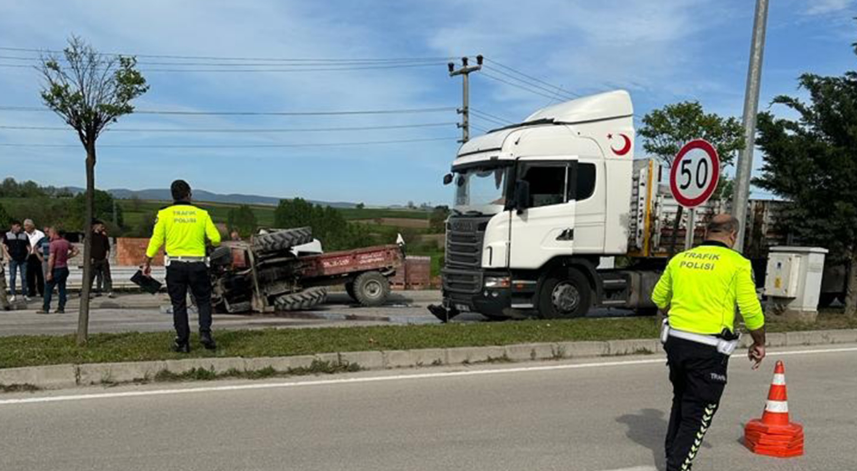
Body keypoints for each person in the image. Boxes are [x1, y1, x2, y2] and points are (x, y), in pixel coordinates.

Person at [651, 214, 766, 471]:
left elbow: (658, 298)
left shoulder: (681, 259)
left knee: (681, 400)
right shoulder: (737, 264)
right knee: (700, 410)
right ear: (733, 236)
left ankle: (673, 458)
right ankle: (678, 466)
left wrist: (678, 316)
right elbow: (750, 310)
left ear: (705, 232)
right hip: (707, 348)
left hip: (676, 341)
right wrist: (759, 342)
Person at [143, 179, 221, 352]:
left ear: (172, 195)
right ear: (189, 194)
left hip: (175, 265)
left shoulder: (164, 214)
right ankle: (205, 333)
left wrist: (147, 261)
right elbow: (216, 238)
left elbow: (156, 240)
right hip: (198, 265)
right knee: (203, 301)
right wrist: (207, 243)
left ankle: (183, 341)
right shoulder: (202, 214)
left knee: (178, 304)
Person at [39, 227, 79, 314]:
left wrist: (49, 272)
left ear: (54, 233)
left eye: (49, 233)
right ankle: (61, 307)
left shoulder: (53, 244)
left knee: (48, 288)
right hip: (64, 267)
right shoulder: (65, 242)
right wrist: (67, 257)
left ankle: (45, 307)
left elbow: (51, 258)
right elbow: (76, 250)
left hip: (56, 268)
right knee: (62, 288)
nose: (49, 235)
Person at [2, 220, 30, 302]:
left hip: (23, 259)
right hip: (13, 258)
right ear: (13, 226)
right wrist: (8, 256)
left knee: (24, 277)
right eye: (17, 226)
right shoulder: (7, 235)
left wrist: (27, 256)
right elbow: (3, 246)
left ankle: (24, 294)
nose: (19, 228)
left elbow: (28, 246)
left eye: (19, 226)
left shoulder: (24, 235)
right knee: (12, 277)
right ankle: (13, 294)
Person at [89, 220, 114, 298]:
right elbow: (88, 247)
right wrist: (90, 257)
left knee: (107, 275)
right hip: (94, 259)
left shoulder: (104, 236)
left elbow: (107, 248)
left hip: (103, 259)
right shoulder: (91, 236)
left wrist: (106, 257)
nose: (102, 228)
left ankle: (109, 291)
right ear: (96, 226)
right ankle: (89, 291)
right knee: (91, 276)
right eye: (101, 226)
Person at [23, 219, 46, 298]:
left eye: (27, 226)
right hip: (28, 256)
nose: (25, 228)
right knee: (29, 275)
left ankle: (41, 291)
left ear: (31, 226)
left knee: (39, 274)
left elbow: (43, 245)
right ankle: (31, 291)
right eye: (24, 226)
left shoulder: (40, 234)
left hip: (37, 255)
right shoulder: (23, 234)